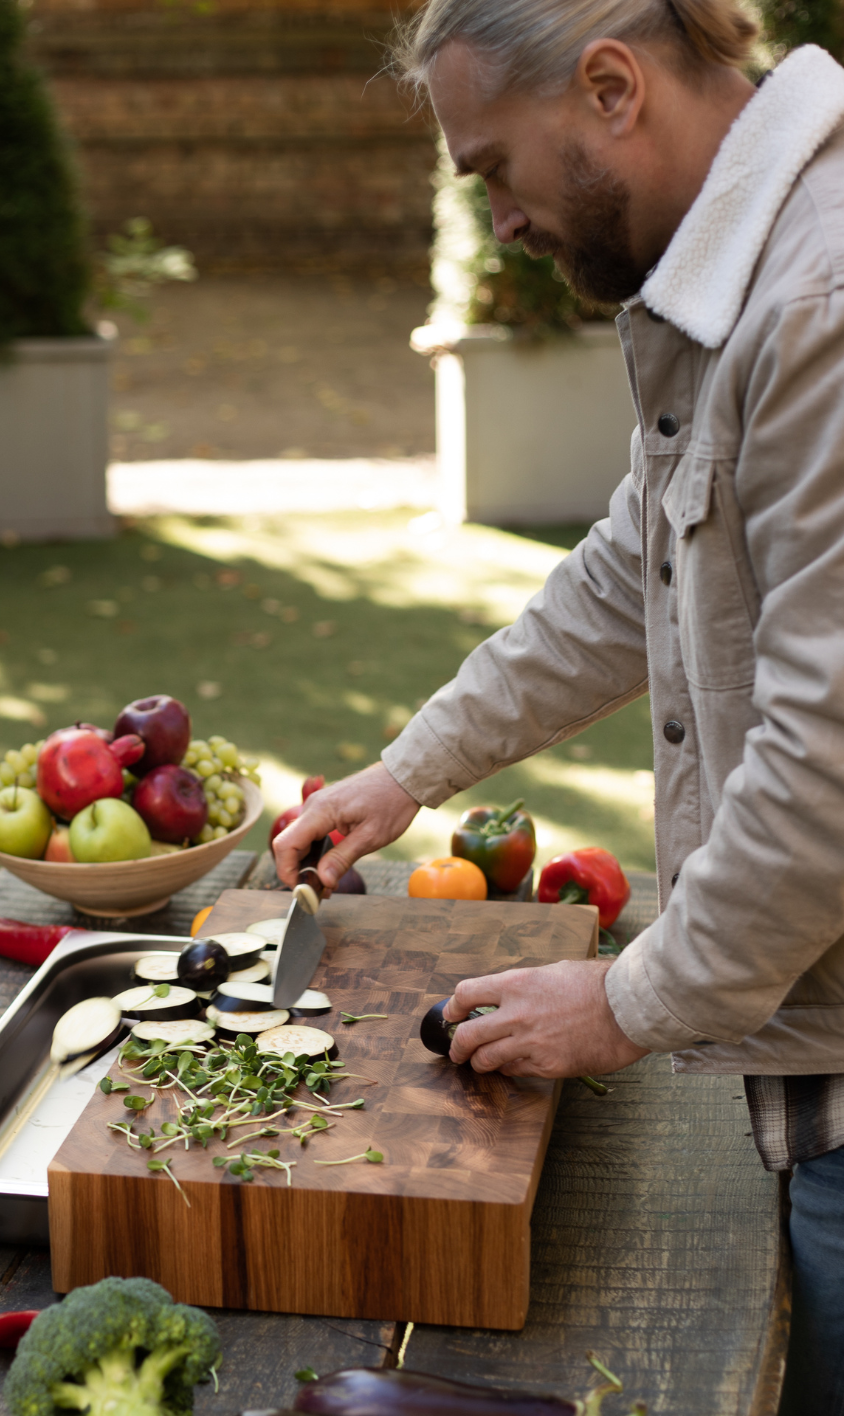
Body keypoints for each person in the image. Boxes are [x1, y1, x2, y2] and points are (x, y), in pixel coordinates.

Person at [273, 3, 844, 1410]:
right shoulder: (741, 276)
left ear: (609, 88)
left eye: (493, 171)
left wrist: (629, 1000)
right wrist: (409, 772)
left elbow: (830, 751)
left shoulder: (817, 305)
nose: (501, 222)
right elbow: (623, 577)